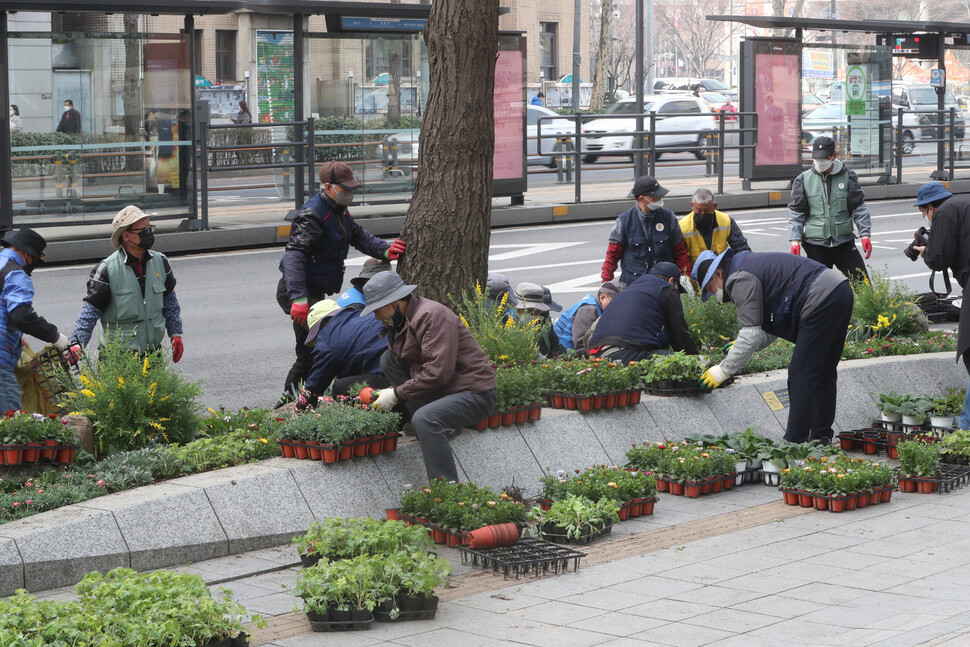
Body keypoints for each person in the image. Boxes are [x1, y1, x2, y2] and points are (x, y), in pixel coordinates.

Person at [276, 161, 406, 406]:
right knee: (311, 356)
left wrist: (386, 251)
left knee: (320, 350)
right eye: (345, 188)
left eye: (352, 187)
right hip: (301, 293)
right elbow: (294, 254)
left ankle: (311, 399)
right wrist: (299, 298)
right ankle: (288, 405)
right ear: (328, 187)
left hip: (313, 291)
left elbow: (357, 235)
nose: (351, 192)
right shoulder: (313, 214)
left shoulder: (337, 210)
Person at [692, 248, 853, 444]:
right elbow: (771, 325)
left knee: (800, 374)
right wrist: (747, 344)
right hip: (840, 291)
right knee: (824, 370)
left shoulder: (739, 278)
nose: (713, 293)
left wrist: (723, 370)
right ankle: (821, 436)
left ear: (718, 273)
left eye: (710, 287)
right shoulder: (746, 265)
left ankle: (794, 443)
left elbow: (750, 332)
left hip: (820, 298)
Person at [362, 271, 496, 482]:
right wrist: (393, 391)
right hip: (445, 391)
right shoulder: (401, 320)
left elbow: (437, 374)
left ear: (393, 303)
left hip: (474, 393)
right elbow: (412, 365)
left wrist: (397, 394)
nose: (377, 317)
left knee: (425, 419)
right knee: (389, 359)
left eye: (377, 310)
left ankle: (447, 493)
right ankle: (426, 421)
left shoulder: (431, 316)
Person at [70, 206, 183, 362]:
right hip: (118, 358)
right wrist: (77, 343)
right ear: (127, 236)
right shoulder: (106, 269)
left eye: (150, 228)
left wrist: (175, 333)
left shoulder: (161, 262)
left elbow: (169, 300)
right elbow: (90, 311)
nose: (149, 233)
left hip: (152, 354)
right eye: (144, 230)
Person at [911, 182, 970, 429]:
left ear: (930, 208)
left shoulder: (944, 213)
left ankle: (966, 430)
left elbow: (938, 259)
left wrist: (926, 251)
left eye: (924, 211)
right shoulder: (964, 204)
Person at [0, 228, 71, 411]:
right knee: (12, 424)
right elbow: (22, 315)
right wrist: (56, 337)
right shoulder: (15, 274)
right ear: (25, 253)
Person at [788, 135, 872, 282]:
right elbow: (797, 212)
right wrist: (795, 239)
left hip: (844, 243)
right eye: (817, 159)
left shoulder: (848, 177)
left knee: (862, 284)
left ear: (834, 156)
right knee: (817, 291)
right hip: (815, 245)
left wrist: (865, 234)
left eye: (823, 159)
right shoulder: (803, 180)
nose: (819, 162)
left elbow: (859, 208)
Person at [294, 295, 389, 409]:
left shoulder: (326, 340)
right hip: (402, 367)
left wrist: (299, 411)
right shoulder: (360, 316)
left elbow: (313, 388)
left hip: (391, 379)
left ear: (322, 325)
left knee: (339, 388)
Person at [588, 262, 696, 362]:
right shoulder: (667, 288)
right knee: (679, 363)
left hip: (598, 354)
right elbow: (680, 338)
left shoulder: (632, 289)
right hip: (624, 353)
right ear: (671, 281)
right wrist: (696, 360)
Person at [601, 175, 690, 286]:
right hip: (633, 285)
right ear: (642, 198)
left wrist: (685, 276)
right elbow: (612, 255)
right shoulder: (624, 221)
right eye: (655, 196)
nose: (660, 199)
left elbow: (680, 251)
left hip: (663, 284)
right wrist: (605, 282)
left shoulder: (669, 217)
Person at [679, 188, 750, 274]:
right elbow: (680, 259)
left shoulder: (726, 221)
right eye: (699, 210)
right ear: (692, 205)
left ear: (715, 206)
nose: (702, 214)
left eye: (706, 211)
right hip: (695, 281)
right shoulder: (682, 227)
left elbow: (742, 251)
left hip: (722, 277)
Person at [553, 281, 620, 351]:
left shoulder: (597, 304)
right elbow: (580, 343)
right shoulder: (588, 309)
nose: (615, 307)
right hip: (565, 349)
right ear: (602, 298)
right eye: (613, 303)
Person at [513, 282, 564, 357]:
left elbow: (555, 345)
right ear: (518, 309)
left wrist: (558, 355)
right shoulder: (509, 324)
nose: (533, 315)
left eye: (537, 311)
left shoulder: (544, 322)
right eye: (529, 310)